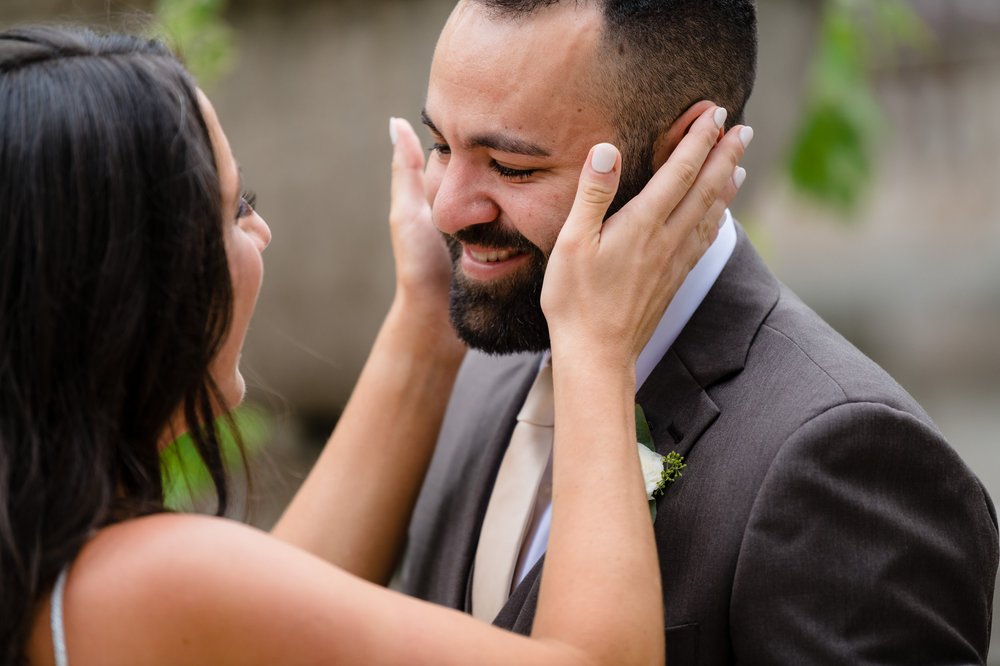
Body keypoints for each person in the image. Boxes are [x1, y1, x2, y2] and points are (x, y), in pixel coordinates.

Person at [0, 25, 750, 665]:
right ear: (124, 284)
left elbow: (272, 601)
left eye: (513, 167)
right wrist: (596, 343)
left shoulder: (56, 556)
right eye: (235, 210)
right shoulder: (139, 578)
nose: (261, 233)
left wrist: (432, 318)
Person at [397, 1, 1000, 663]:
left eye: (512, 167)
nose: (447, 208)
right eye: (441, 146)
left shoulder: (850, 460)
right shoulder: (483, 362)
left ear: (687, 149)